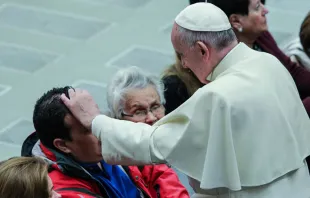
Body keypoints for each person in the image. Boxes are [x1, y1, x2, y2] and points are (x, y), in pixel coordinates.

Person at [61, 3, 310, 197]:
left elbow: (155, 143)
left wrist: (96, 122)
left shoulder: (218, 95)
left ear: (202, 50)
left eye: (182, 55)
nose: (183, 64)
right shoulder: (267, 63)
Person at [21, 86, 146, 198]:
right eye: (89, 128)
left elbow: (155, 170)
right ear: (63, 145)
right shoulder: (60, 191)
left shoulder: (94, 151)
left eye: (97, 118)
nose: (102, 131)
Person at [208, 0, 310, 116]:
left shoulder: (260, 36)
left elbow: (292, 72)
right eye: (257, 7)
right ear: (236, 21)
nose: (266, 10)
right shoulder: (227, 64)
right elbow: (267, 115)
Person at [106, 66, 192, 196]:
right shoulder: (117, 168)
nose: (151, 118)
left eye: (155, 106)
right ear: (118, 118)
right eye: (138, 111)